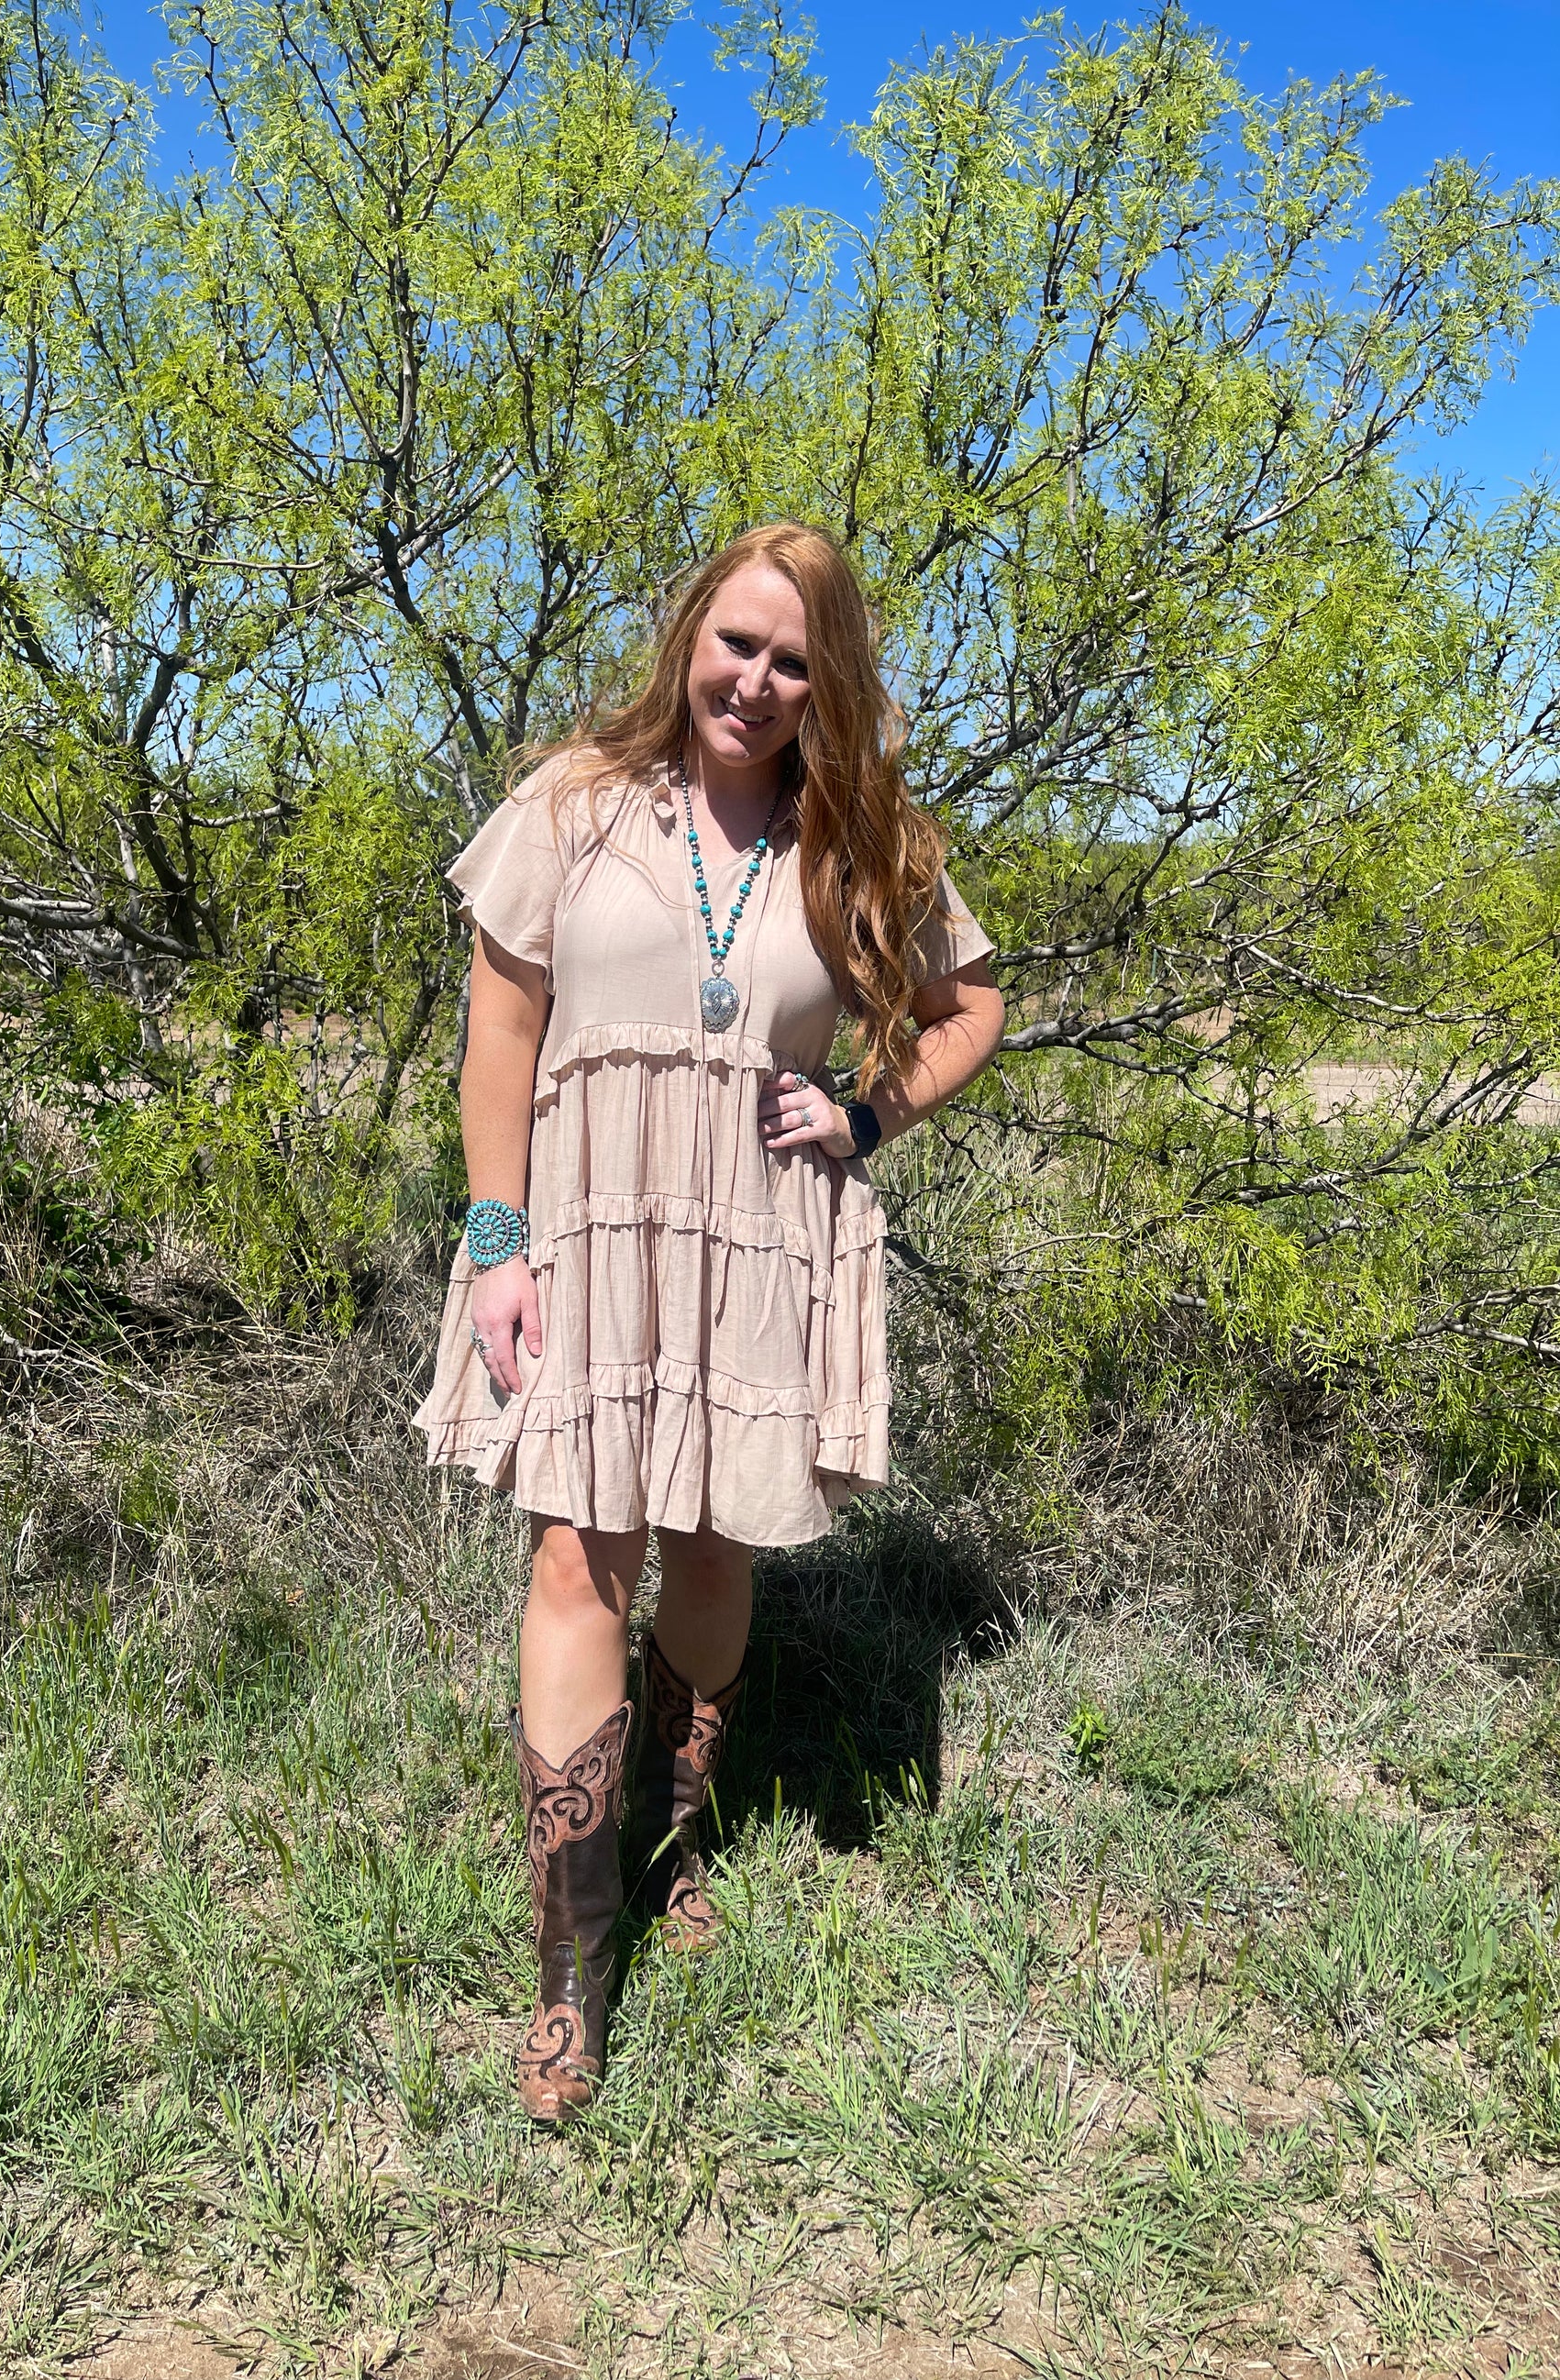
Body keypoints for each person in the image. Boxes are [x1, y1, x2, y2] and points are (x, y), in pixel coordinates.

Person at [414, 524, 1004, 2121]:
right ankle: (571, 1955)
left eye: (795, 659)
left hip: (756, 1237)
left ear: (830, 685)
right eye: (736, 643)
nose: (756, 680)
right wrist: (498, 1243)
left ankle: (673, 1827)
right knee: (573, 1551)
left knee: (717, 1547)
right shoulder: (572, 805)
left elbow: (971, 1005)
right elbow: (499, 1038)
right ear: (689, 638)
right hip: (587, 1225)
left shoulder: (855, 838)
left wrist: (870, 1117)